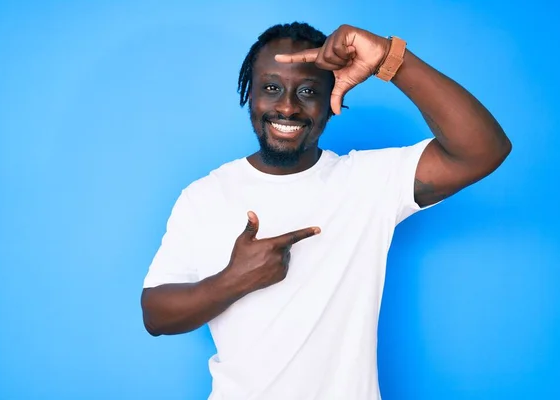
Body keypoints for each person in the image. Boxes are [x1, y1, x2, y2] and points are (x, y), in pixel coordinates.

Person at [140, 22, 511, 400]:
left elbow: (482, 150)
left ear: (333, 98)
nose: (287, 106)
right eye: (271, 88)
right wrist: (235, 279)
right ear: (249, 94)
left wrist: (390, 58)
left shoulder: (369, 182)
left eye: (307, 91)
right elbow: (155, 315)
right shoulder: (205, 195)